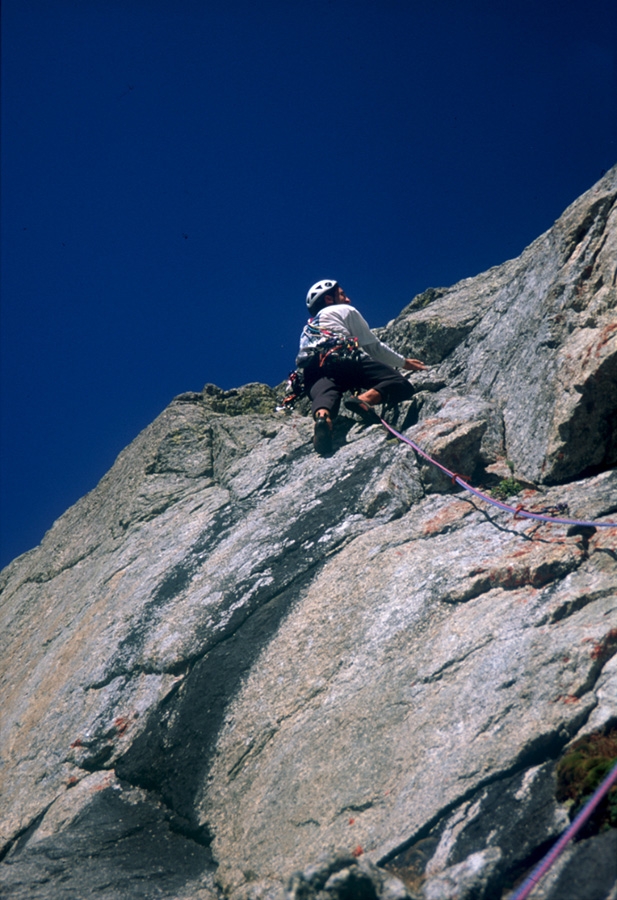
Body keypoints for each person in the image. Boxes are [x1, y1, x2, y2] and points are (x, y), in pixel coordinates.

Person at [297, 279, 426, 454]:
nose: (348, 299)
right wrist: (404, 363)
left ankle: (323, 418)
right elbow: (374, 347)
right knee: (398, 383)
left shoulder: (307, 330)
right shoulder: (344, 310)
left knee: (325, 394)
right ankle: (365, 400)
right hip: (342, 357)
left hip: (312, 371)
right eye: (342, 294)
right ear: (329, 299)